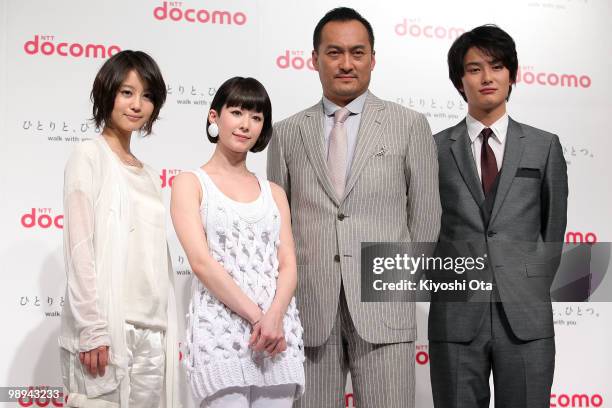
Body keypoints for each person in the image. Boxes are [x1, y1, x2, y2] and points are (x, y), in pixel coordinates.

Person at [267, 7, 441, 408]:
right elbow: (280, 224)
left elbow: (427, 219)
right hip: (310, 310)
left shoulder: (409, 124)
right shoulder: (288, 132)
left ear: (373, 59)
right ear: (314, 59)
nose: (346, 63)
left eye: (357, 52)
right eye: (334, 52)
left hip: (385, 310)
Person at [428, 25, 568, 408]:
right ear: (460, 80)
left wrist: (527, 287)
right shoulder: (433, 149)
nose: (487, 77)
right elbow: (423, 229)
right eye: (474, 69)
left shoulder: (544, 147)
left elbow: (553, 234)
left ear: (512, 74)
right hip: (455, 318)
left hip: (525, 319)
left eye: (497, 66)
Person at [170, 77, 304, 408]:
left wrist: (274, 318)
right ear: (214, 117)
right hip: (220, 335)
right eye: (237, 112)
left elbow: (288, 264)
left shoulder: (274, 193)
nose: (246, 125)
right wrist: (259, 319)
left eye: (256, 117)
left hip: (278, 336)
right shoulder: (190, 183)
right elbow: (201, 263)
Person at [59, 50, 180, 407]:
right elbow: (79, 247)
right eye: (127, 92)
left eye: (147, 95)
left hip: (153, 328)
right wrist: (92, 328)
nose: (137, 104)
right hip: (109, 326)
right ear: (107, 93)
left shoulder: (148, 173)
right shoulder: (89, 155)